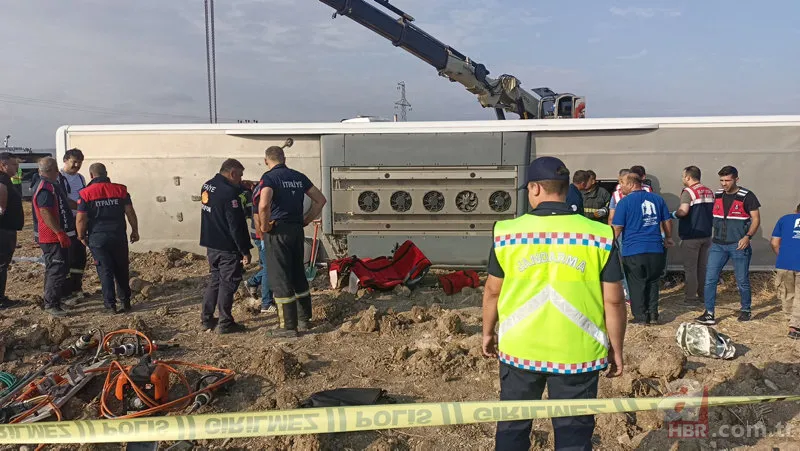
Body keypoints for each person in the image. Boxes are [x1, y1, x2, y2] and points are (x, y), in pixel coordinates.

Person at [481, 156, 626, 451]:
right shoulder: (599, 235)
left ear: (534, 189)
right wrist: (617, 348)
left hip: (520, 350)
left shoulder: (507, 233)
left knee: (513, 427)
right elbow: (613, 300)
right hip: (579, 353)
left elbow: (492, 292)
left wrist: (487, 332)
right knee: (574, 436)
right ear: (564, 188)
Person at [258, 145, 327, 338]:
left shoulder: (269, 178)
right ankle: (304, 319)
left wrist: (264, 227)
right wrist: (307, 219)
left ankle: (287, 326)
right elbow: (321, 200)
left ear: (266, 160)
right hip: (296, 231)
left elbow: (263, 204)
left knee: (280, 277)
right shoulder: (299, 177)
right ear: (284, 158)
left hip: (278, 231)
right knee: (298, 274)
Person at [696, 166, 761, 325]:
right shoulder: (717, 194)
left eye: (727, 180)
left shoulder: (747, 196)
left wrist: (747, 237)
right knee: (710, 279)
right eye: (722, 180)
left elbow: (756, 219)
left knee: (741, 280)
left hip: (738, 245)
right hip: (718, 245)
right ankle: (709, 313)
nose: (724, 183)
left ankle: (745, 309)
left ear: (736, 179)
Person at [75, 163, 139, 314]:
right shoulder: (121, 190)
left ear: (91, 175)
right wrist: (135, 230)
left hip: (98, 238)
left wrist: (81, 235)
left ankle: (110, 305)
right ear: (106, 173)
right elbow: (130, 212)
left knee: (105, 271)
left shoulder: (85, 193)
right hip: (118, 236)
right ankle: (125, 302)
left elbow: (81, 219)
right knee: (121, 269)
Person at [199, 159, 253, 334]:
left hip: (211, 243)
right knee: (228, 283)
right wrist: (244, 250)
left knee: (215, 280)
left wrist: (243, 187)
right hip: (226, 245)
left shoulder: (207, 186)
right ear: (232, 173)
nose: (241, 179)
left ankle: (206, 319)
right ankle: (225, 322)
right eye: (240, 175)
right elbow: (235, 225)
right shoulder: (229, 194)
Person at [612, 172, 674, 324]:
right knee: (653, 282)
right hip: (655, 249)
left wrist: (609, 242)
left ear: (632, 184)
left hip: (633, 250)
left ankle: (640, 316)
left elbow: (618, 227)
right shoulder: (657, 199)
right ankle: (653, 314)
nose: (621, 188)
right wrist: (668, 237)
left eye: (623, 184)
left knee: (636, 283)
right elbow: (667, 220)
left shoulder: (624, 203)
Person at [32, 157, 75, 317]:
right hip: (51, 237)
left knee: (56, 268)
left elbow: (64, 204)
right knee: (56, 269)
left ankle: (53, 299)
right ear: (53, 170)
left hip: (54, 235)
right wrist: (59, 232)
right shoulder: (45, 188)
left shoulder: (51, 186)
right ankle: (51, 304)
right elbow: (45, 212)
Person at [671, 166, 714, 305]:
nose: (683, 179)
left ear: (688, 177)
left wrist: (673, 214)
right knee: (702, 267)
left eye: (683, 176)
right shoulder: (708, 191)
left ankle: (690, 298)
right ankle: (703, 295)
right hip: (706, 235)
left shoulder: (688, 192)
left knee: (690, 268)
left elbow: (683, 211)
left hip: (691, 235)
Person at [60, 148, 88, 304]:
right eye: (74, 162)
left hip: (80, 220)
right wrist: (82, 208)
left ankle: (77, 287)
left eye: (79, 162)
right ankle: (65, 292)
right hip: (66, 221)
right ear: (65, 160)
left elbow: (83, 196)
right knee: (67, 257)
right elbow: (64, 199)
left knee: (79, 256)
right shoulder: (59, 178)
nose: (76, 165)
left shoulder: (81, 178)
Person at [245, 179, 276, 314]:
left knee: (267, 267)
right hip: (261, 235)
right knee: (270, 269)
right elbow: (258, 215)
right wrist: (263, 236)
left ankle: (252, 282)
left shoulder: (259, 191)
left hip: (259, 235)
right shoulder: (263, 193)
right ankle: (266, 303)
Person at [769, 203, 800, 339]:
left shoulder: (784, 219)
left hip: (784, 263)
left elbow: (774, 243)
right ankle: (795, 325)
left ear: (795, 211)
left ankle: (790, 322)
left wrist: (782, 256)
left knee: (787, 293)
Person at [0, 152, 24, 309]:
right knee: (1, 264)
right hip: (3, 230)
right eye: (14, 164)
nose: (17, 167)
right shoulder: (2, 181)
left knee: (3, 264)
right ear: (3, 165)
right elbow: (1, 207)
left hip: (8, 229)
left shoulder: (6, 180)